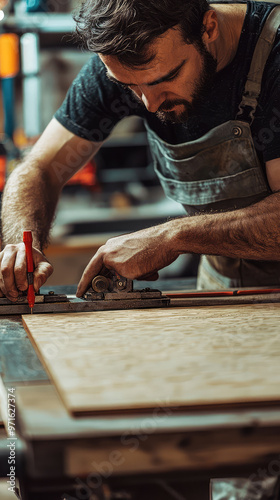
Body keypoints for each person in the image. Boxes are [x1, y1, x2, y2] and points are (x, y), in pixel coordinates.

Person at [1, 0, 280, 302]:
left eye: (166, 79)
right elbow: (39, 168)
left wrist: (172, 238)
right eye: (131, 87)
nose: (150, 104)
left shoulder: (273, 58)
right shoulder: (124, 62)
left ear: (208, 28)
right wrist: (21, 244)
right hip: (224, 288)